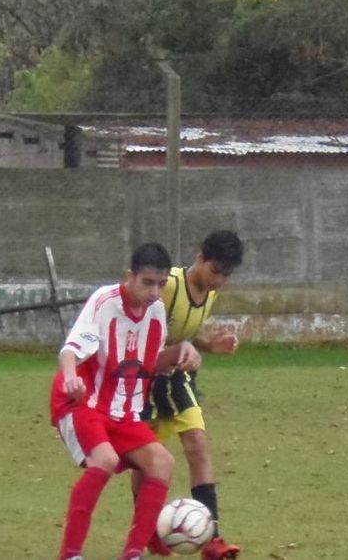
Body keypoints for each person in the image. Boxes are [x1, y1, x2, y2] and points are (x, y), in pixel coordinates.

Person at [50, 242, 202, 560]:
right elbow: (70, 349)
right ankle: (70, 554)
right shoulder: (104, 301)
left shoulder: (157, 312)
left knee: (162, 462)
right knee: (103, 459)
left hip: (124, 411)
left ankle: (133, 553)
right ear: (129, 277)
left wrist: (181, 352)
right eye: (147, 282)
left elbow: (149, 362)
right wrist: (71, 376)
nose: (154, 292)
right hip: (83, 401)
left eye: (161, 284)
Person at [139, 230, 244, 560]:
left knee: (197, 442)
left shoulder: (210, 294)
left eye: (226, 275)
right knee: (146, 462)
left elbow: (186, 333)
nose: (219, 280)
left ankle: (212, 538)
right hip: (142, 378)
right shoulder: (166, 285)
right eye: (215, 270)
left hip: (176, 378)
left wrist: (209, 345)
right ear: (200, 258)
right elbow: (137, 327)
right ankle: (146, 533)